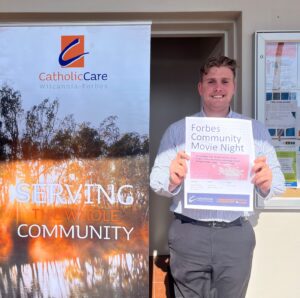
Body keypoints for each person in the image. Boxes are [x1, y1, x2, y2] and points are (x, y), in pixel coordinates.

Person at [150, 56, 285, 298]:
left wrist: (267, 182)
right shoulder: (178, 131)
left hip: (234, 235)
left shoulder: (255, 131)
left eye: (225, 81)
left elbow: (278, 184)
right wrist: (171, 179)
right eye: (211, 81)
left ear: (233, 87)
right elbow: (156, 181)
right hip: (189, 234)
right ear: (201, 87)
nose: (218, 88)